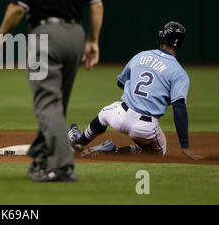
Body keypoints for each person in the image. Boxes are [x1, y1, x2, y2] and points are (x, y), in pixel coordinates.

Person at [0, 0, 104, 181]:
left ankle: (63, 166)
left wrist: (1, 34)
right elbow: (96, 5)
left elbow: (18, 7)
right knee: (57, 104)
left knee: (47, 104)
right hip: (75, 36)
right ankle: (43, 158)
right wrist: (92, 41)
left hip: (45, 36)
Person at [68, 21, 203, 160]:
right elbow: (179, 108)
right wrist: (185, 146)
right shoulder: (179, 73)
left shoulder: (141, 55)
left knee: (105, 114)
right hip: (145, 128)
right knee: (158, 153)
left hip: (120, 116)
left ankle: (77, 144)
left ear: (163, 37)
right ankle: (112, 151)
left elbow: (121, 82)